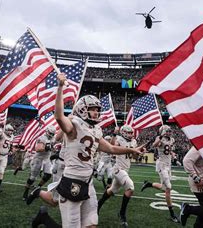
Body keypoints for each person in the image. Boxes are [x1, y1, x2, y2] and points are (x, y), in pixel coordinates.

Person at [52, 73, 145, 228]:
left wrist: (133, 150)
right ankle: (43, 217)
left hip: (88, 182)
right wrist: (60, 87)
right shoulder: (74, 124)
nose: (97, 112)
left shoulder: (95, 129)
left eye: (97, 109)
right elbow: (59, 117)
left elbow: (110, 148)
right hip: (72, 179)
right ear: (82, 109)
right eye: (93, 109)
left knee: (91, 223)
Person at [97, 125, 138, 227]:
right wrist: (115, 134)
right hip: (118, 169)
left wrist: (139, 153)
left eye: (131, 133)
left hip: (125, 170)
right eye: (128, 133)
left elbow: (134, 156)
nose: (130, 134)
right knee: (130, 187)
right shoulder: (119, 139)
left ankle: (97, 205)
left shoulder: (133, 142)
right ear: (123, 132)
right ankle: (122, 213)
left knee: (111, 191)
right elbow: (111, 146)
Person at [141, 125, 179, 223]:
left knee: (163, 187)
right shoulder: (160, 138)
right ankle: (172, 214)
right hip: (162, 165)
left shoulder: (172, 139)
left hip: (168, 165)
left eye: (170, 131)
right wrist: (161, 136)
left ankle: (148, 184)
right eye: (168, 131)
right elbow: (154, 145)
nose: (170, 133)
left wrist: (174, 155)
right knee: (168, 188)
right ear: (163, 131)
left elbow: (169, 150)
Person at [23, 124, 56, 200]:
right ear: (47, 131)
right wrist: (49, 147)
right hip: (38, 158)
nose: (51, 135)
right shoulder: (42, 138)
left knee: (48, 174)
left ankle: (37, 188)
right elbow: (38, 149)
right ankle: (26, 192)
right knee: (32, 178)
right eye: (50, 133)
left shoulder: (53, 138)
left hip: (47, 159)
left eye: (52, 134)